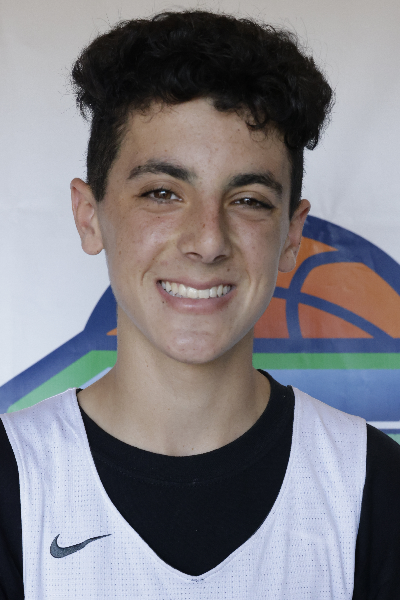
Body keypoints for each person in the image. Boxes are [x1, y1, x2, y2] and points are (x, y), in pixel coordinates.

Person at [1, 10, 399, 599]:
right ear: (89, 216)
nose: (209, 240)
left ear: (292, 235)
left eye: (249, 199)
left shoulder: (373, 486)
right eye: (162, 193)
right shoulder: (14, 479)